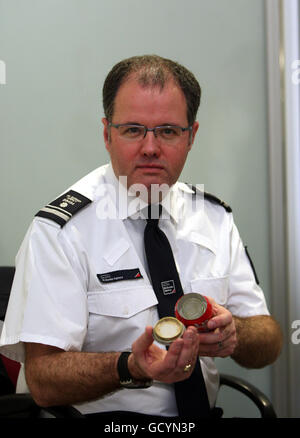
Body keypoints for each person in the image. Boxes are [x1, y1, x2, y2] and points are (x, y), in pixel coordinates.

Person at [0, 55, 282, 418]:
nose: (150, 148)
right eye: (133, 130)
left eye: (167, 131)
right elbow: (41, 379)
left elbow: (270, 341)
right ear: (107, 134)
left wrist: (235, 333)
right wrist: (130, 367)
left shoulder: (215, 218)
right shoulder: (60, 231)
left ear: (191, 136)